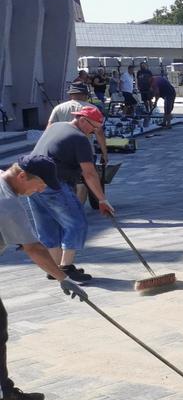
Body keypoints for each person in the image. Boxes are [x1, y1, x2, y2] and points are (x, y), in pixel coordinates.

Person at [1, 156, 90, 400]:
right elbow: (34, 248)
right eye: (39, 185)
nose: (40, 191)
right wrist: (63, 278)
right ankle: (5, 395)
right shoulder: (8, 204)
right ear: (22, 176)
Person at [27, 106, 114, 282]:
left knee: (48, 225)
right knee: (77, 223)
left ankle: (54, 268)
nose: (93, 132)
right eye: (94, 127)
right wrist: (102, 200)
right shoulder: (79, 138)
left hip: (30, 183)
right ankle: (66, 267)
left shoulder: (55, 126)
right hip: (54, 183)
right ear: (82, 120)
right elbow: (89, 173)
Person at [48, 83, 110, 203]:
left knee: (67, 182)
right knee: (82, 181)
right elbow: (99, 133)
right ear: (85, 95)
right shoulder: (92, 108)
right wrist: (104, 153)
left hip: (62, 152)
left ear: (71, 95)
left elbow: (49, 130)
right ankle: (78, 208)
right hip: (84, 150)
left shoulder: (58, 108)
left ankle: (70, 206)